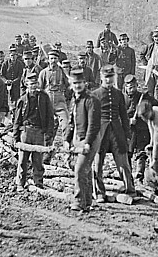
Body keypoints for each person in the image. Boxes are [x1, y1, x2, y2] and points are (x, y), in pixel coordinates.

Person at [93, 65, 135, 202]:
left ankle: (130, 190)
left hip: (117, 131)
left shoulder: (119, 94)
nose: (109, 80)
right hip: (100, 131)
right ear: (101, 78)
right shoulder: (95, 94)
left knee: (123, 162)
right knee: (98, 163)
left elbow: (124, 116)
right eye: (106, 77)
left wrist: (127, 135)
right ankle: (99, 193)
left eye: (111, 77)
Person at [63, 68, 101, 212]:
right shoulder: (74, 100)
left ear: (85, 83)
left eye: (80, 83)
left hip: (90, 138)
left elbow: (93, 125)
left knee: (79, 170)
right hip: (78, 138)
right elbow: (71, 122)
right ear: (71, 84)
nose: (77, 86)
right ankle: (88, 202)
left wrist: (88, 143)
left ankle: (78, 201)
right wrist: (67, 139)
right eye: (75, 83)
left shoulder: (91, 100)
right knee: (84, 170)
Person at [12, 72, 54, 191]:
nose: (33, 87)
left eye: (35, 84)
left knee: (38, 160)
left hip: (39, 132)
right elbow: (17, 119)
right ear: (26, 85)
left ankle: (38, 183)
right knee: (22, 160)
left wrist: (49, 134)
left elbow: (50, 116)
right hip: (26, 132)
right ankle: (20, 183)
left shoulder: (44, 97)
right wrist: (15, 137)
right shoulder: (22, 100)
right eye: (31, 84)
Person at [124, 74, 158, 182]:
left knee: (141, 152)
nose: (131, 89)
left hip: (142, 129)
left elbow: (155, 106)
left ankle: (139, 175)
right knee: (127, 153)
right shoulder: (121, 99)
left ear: (137, 86)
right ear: (125, 87)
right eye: (129, 87)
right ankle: (128, 177)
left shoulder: (143, 97)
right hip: (128, 130)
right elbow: (117, 115)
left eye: (133, 87)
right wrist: (128, 120)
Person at [38, 50, 70, 163]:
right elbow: (40, 90)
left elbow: (68, 85)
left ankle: (68, 151)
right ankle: (47, 153)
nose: (53, 61)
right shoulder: (43, 73)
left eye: (55, 58)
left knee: (66, 124)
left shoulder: (62, 72)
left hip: (60, 102)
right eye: (51, 58)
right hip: (48, 103)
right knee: (48, 129)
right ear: (48, 60)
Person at [139, 30, 158, 97]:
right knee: (150, 87)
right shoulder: (149, 46)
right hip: (150, 68)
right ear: (153, 38)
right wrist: (146, 64)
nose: (157, 38)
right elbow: (141, 55)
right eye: (155, 37)